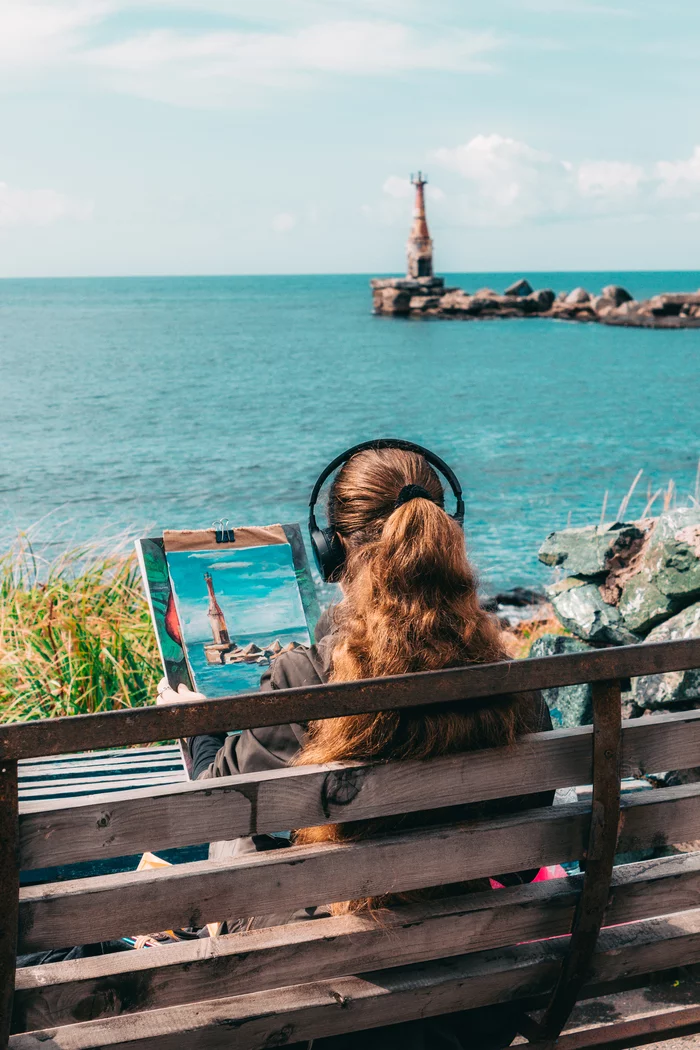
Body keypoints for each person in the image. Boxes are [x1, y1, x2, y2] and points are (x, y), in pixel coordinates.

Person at [157, 441, 554, 1047]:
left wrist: (197, 722)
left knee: (242, 829)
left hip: (329, 1002)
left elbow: (214, 802)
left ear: (331, 550)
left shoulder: (306, 679)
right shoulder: (513, 687)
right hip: (475, 999)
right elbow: (524, 862)